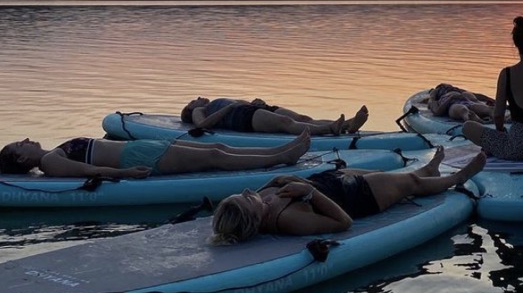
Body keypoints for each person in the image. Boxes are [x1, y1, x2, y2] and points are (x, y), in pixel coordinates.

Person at [210, 146, 487, 243]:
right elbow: (343, 223)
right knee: (410, 182)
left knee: (388, 173)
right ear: (254, 218)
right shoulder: (289, 219)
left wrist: (275, 182)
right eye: (246, 198)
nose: (248, 191)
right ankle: (459, 177)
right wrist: (308, 192)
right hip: (358, 197)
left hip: (330, 181)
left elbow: (266, 188)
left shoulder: (261, 203)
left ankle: (431, 169)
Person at [0, 131, 312, 178]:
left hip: (141, 148)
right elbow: (90, 172)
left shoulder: (51, 154)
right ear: (21, 160)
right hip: (137, 160)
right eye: (19, 146)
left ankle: (281, 149)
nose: (26, 140)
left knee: (217, 148)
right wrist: (126, 174)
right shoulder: (50, 161)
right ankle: (282, 159)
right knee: (215, 157)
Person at [462, 16, 523, 160]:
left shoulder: (508, 73)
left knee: (468, 127)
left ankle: (496, 147)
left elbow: (498, 115)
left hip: (518, 148)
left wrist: (500, 134)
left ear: (516, 44)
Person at [180, 97, 368, 135]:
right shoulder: (201, 110)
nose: (196, 99)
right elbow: (202, 125)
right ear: (191, 109)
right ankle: (328, 128)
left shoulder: (214, 101)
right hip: (243, 117)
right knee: (286, 123)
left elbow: (239, 102)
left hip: (253, 109)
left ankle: (347, 125)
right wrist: (229, 109)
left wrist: (256, 101)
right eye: (192, 101)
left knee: (303, 118)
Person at [426, 83, 495, 123]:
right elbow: (437, 111)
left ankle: (469, 115)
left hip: (460, 101)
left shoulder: (455, 90)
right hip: (456, 102)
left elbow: (476, 95)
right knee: (467, 108)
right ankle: (475, 117)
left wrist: (490, 99)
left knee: (465, 109)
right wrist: (450, 99)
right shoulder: (439, 91)